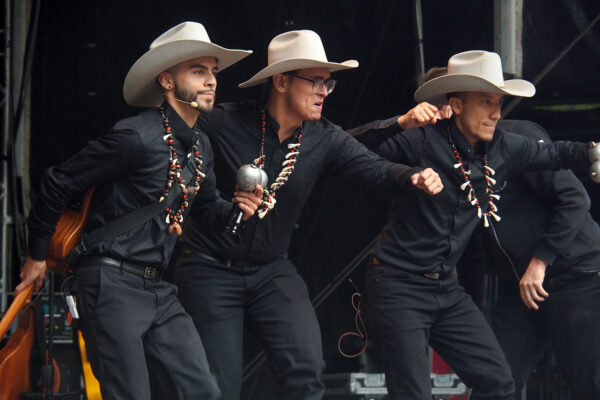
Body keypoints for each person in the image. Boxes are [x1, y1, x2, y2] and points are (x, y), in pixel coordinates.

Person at [173, 29, 443, 400]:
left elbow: (374, 166)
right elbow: (170, 137)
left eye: (328, 84)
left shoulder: (324, 138)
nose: (324, 92)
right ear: (281, 81)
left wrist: (412, 174)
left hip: (271, 270)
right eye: (316, 81)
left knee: (306, 369)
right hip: (207, 267)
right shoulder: (222, 122)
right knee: (218, 385)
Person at [16, 21, 262, 400]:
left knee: (203, 392)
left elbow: (208, 210)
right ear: (166, 80)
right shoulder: (136, 137)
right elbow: (57, 182)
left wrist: (238, 210)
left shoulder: (201, 147)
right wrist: (37, 256)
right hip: (110, 283)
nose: (212, 80)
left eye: (213, 72)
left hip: (159, 288)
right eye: (198, 71)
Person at [360, 50, 594, 400]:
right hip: (407, 285)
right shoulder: (421, 141)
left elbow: (559, 160)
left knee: (511, 382)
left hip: (479, 285)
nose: (496, 111)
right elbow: (344, 153)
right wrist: (400, 123)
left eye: (498, 101)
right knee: (421, 391)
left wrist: (592, 153)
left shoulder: (506, 144)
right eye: (486, 101)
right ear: (453, 105)